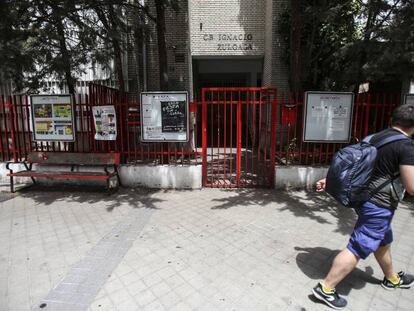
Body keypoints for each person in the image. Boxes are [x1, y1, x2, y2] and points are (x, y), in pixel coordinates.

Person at [312, 104, 414, 310]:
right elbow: (412, 187)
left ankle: (391, 278)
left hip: (364, 199)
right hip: (379, 205)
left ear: (392, 120)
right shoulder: (406, 147)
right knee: (358, 246)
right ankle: (326, 288)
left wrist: (330, 180)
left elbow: (359, 167)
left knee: (382, 239)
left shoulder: (375, 138)